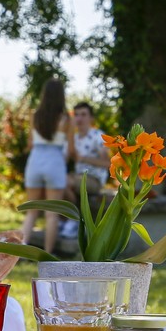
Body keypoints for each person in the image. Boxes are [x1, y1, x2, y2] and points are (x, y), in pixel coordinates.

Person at [20, 78, 75, 255]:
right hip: (55, 161)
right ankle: (48, 254)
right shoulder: (66, 119)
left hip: (35, 161)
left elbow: (29, 144)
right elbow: (72, 150)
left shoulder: (35, 116)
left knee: (31, 212)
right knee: (52, 213)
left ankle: (20, 251)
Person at [60, 101, 112, 241]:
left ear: (91, 118)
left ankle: (74, 220)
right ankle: (64, 220)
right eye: (76, 115)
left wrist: (84, 158)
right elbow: (62, 160)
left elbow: (108, 163)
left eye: (83, 114)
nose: (79, 118)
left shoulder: (98, 136)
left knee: (63, 181)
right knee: (55, 180)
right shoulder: (73, 138)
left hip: (94, 179)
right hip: (77, 177)